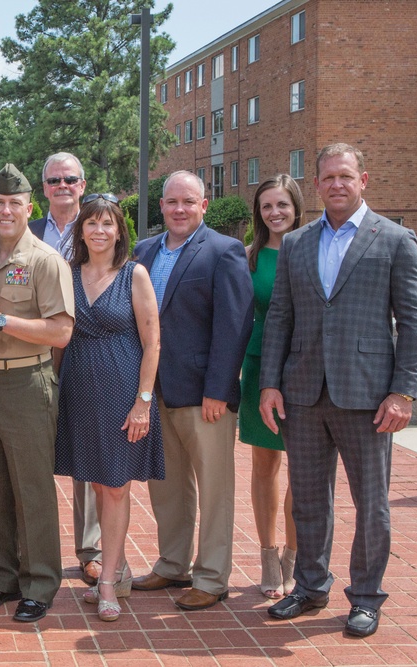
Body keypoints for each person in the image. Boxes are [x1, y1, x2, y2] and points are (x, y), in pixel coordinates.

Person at [261, 144, 417, 637]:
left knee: (371, 503)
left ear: (363, 180)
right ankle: (310, 586)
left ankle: (367, 597)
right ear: (316, 185)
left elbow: (414, 321)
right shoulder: (297, 243)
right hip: (304, 393)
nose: (337, 184)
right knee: (309, 499)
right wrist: (270, 382)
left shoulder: (396, 240)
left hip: (369, 396)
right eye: (328, 177)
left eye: (345, 176)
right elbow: (281, 318)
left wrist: (404, 392)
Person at [131, 170, 253, 611]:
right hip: (154, 391)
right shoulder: (143, 251)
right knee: (166, 485)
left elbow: (235, 325)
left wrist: (219, 389)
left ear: (204, 205)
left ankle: (212, 576)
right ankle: (172, 564)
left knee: (214, 488)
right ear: (160, 206)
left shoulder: (224, 251)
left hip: (205, 395)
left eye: (188, 202)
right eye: (171, 202)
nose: (179, 209)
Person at [0, 164, 74, 623]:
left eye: (15, 204)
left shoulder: (46, 260)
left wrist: (1, 320)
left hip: (27, 381)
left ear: (31, 208)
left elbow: (62, 331)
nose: (6, 211)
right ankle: (1, 579)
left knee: (32, 488)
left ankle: (41, 582)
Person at [54, 194, 163, 622]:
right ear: (80, 230)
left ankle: (109, 580)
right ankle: (115, 566)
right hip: (79, 388)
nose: (99, 231)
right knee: (98, 485)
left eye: (107, 224)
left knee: (117, 486)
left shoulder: (134, 274)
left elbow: (153, 341)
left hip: (123, 390)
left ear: (120, 231)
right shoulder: (69, 273)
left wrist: (143, 402)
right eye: (91, 223)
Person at [28, 151, 102, 585]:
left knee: (88, 458)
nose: (62, 186)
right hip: (34, 354)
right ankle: (33, 551)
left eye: (70, 179)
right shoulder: (29, 232)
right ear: (44, 189)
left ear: (82, 182)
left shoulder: (97, 225)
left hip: (88, 353)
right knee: (34, 455)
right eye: (54, 180)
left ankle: (90, 550)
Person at [240, 175, 304, 599]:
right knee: (265, 466)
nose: (275, 213)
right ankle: (266, 554)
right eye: (266, 206)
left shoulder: (313, 251)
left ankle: (293, 559)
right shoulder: (247, 257)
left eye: (282, 204)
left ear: (296, 207)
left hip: (304, 372)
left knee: (304, 472)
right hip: (259, 368)